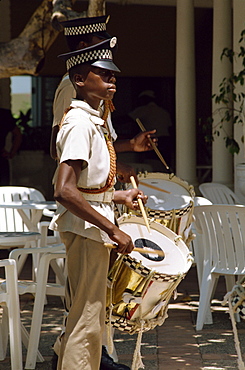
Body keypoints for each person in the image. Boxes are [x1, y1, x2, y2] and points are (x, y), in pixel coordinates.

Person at [49, 37, 147, 370]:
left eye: (113, 75)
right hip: (89, 232)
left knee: (89, 320)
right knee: (86, 323)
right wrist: (111, 229)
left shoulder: (93, 120)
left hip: (90, 230)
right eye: (102, 74)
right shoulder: (79, 123)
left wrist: (119, 196)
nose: (111, 79)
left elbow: (88, 186)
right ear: (79, 80)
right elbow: (64, 189)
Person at [50, 16, 157, 184]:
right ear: (83, 47)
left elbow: (96, 144)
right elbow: (60, 148)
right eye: (100, 41)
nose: (107, 47)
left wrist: (131, 144)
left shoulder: (98, 90)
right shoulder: (72, 87)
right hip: (82, 191)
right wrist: (114, 165)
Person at [129, 90, 174, 168]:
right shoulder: (163, 111)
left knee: (151, 163)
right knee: (164, 164)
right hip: (166, 140)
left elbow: (126, 119)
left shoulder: (143, 109)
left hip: (152, 140)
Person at [0, 108, 22, 185]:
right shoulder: (3, 114)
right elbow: (17, 134)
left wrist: (12, 153)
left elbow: (17, 134)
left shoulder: (3, 115)